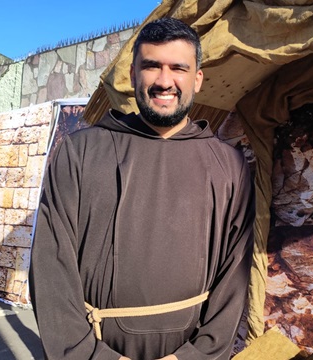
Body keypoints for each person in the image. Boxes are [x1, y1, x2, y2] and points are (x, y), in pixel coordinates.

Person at [30, 17, 255, 360]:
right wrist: (92, 356)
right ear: (133, 75)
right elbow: (51, 266)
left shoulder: (229, 167)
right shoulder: (80, 152)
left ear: (197, 79)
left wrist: (195, 356)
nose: (165, 81)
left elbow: (234, 277)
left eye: (178, 68)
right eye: (152, 66)